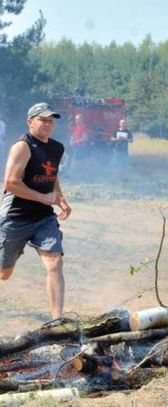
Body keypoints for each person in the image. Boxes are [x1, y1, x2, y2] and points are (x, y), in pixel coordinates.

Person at [0, 102, 71, 319]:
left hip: (43, 218)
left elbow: (51, 174)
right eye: (43, 119)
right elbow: (10, 183)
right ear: (30, 122)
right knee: (4, 273)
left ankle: (56, 320)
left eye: (51, 120)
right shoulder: (23, 146)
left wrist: (60, 198)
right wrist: (43, 197)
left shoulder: (57, 148)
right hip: (16, 216)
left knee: (55, 262)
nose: (48, 124)